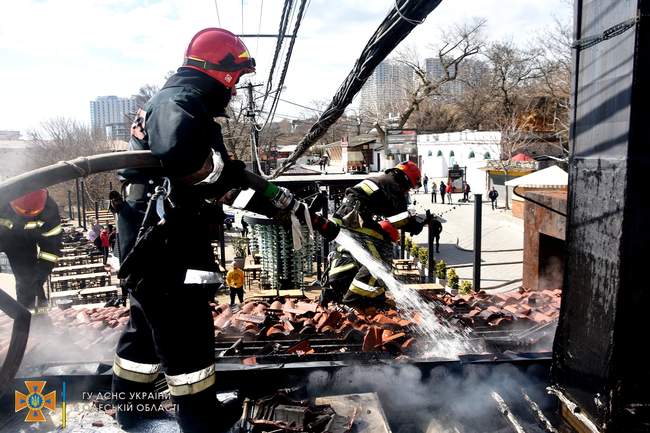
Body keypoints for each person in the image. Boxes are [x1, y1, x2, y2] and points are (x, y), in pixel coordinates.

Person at [111, 28, 309, 433]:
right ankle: (203, 423)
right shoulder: (180, 101)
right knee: (186, 336)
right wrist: (234, 174)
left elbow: (195, 173)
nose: (236, 91)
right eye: (236, 79)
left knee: (146, 334)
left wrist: (260, 197)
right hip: (165, 242)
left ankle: (133, 411)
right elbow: (184, 159)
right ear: (221, 72)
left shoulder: (174, 100)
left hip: (150, 239)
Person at [320, 161, 428, 307]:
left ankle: (336, 291)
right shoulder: (393, 185)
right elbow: (399, 215)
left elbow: (389, 215)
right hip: (356, 220)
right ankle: (354, 299)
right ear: (405, 179)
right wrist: (417, 225)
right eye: (409, 187)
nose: (407, 191)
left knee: (354, 257)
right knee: (378, 263)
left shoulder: (382, 180)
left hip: (344, 219)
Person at [0, 189, 62, 309]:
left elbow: (51, 248)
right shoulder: (2, 198)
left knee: (29, 281)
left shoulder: (49, 209)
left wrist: (41, 275)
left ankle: (34, 319)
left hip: (24, 242)